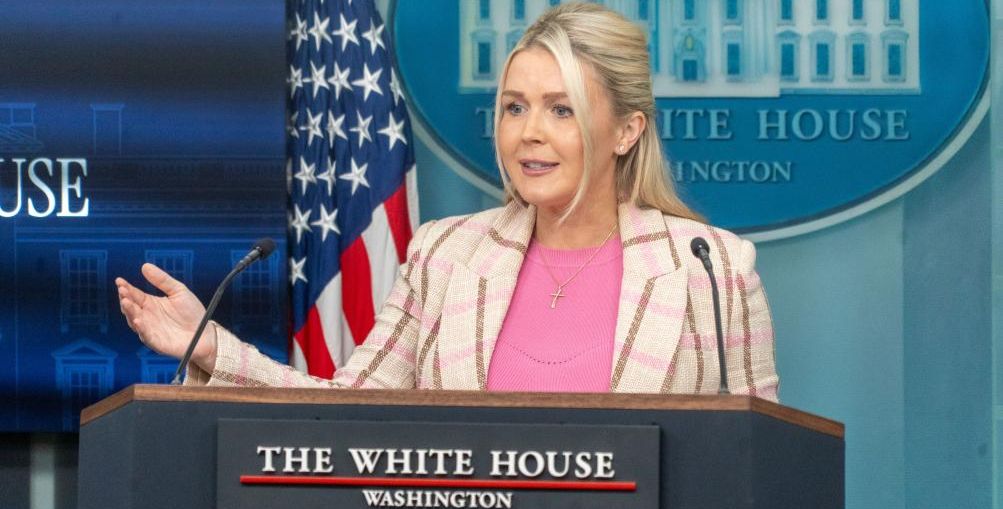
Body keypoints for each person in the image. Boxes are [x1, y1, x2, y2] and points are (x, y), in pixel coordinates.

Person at [116, 2, 779, 400]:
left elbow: (756, 459)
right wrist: (211, 346)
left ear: (626, 131)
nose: (529, 132)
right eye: (514, 107)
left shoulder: (711, 268)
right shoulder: (446, 254)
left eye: (561, 109)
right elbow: (355, 407)